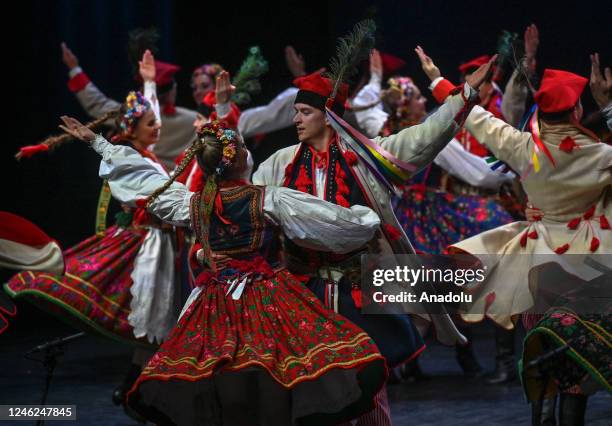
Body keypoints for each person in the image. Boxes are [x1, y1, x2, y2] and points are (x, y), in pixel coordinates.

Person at [60, 116, 388, 425]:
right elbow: (333, 223)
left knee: (231, 394)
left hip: (215, 304)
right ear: (240, 159)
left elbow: (148, 182)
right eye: (244, 148)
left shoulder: (191, 203)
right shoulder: (269, 199)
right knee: (276, 386)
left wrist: (99, 144)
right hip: (268, 299)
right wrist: (368, 221)